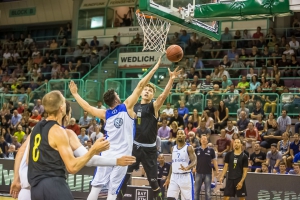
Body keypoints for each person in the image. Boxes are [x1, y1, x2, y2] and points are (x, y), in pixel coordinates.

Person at [69, 57, 164, 200]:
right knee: (112, 193)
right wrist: (155, 68)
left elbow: (87, 107)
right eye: (118, 95)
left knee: (96, 188)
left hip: (106, 154)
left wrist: (75, 94)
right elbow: (140, 85)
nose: (120, 95)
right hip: (121, 157)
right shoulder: (126, 106)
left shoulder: (105, 114)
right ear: (116, 99)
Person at [10, 101, 136, 200]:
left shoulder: (37, 128)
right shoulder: (65, 133)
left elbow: (21, 152)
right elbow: (85, 162)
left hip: (27, 189)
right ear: (66, 113)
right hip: (49, 187)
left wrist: (16, 178)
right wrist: (114, 160)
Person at [26, 91, 111, 200]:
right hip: (53, 186)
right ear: (61, 107)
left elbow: (29, 161)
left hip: (35, 189)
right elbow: (72, 167)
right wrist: (93, 150)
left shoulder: (36, 128)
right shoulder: (58, 131)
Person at [117, 66, 181, 200]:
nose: (147, 91)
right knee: (124, 178)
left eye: (150, 90)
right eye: (145, 89)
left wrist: (171, 80)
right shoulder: (134, 106)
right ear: (140, 93)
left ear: (153, 95)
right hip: (134, 147)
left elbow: (163, 96)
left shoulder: (154, 106)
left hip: (150, 150)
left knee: (153, 183)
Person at [163, 130, 197, 199]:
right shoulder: (173, 148)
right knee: (170, 198)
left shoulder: (189, 147)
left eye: (182, 133)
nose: (180, 135)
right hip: (174, 176)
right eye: (178, 134)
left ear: (185, 136)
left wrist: (187, 167)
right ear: (176, 136)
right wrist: (168, 178)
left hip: (185, 176)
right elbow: (173, 163)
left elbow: (195, 160)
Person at [194, 134, 219, 200]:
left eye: (205, 139)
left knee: (208, 192)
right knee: (196, 192)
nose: (204, 140)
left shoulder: (211, 150)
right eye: (202, 139)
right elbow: (193, 160)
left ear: (207, 141)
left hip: (208, 173)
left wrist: (217, 170)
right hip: (198, 173)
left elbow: (214, 161)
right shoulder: (196, 150)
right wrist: (193, 168)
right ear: (200, 140)